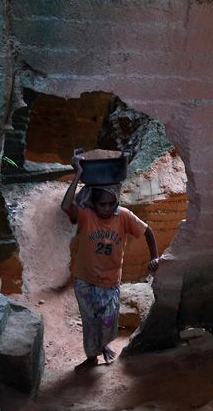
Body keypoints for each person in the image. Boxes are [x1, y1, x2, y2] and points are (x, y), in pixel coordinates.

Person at [61, 155, 162, 370]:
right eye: (101, 205)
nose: (106, 209)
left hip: (109, 281)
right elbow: (66, 206)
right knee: (89, 321)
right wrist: (78, 174)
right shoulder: (88, 216)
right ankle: (91, 357)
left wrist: (154, 256)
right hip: (85, 279)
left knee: (107, 321)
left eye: (110, 204)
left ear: (116, 202)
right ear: (94, 204)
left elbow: (148, 231)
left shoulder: (123, 216)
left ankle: (103, 344)